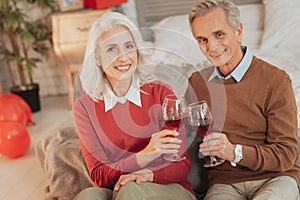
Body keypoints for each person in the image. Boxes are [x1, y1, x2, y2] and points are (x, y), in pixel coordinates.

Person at [72, 12, 196, 200]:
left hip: (169, 187)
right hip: (119, 189)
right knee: (88, 196)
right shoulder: (84, 107)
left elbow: (181, 166)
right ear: (97, 57)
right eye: (112, 49)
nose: (123, 57)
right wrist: (145, 154)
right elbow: (99, 175)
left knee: (131, 190)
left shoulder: (162, 93)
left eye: (129, 46)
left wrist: (146, 175)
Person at [185, 0, 300, 199]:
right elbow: (183, 135)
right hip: (224, 183)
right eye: (202, 39)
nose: (211, 47)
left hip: (275, 177)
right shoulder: (197, 83)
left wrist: (233, 152)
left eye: (218, 34)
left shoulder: (276, 80)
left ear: (238, 32)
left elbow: (285, 154)